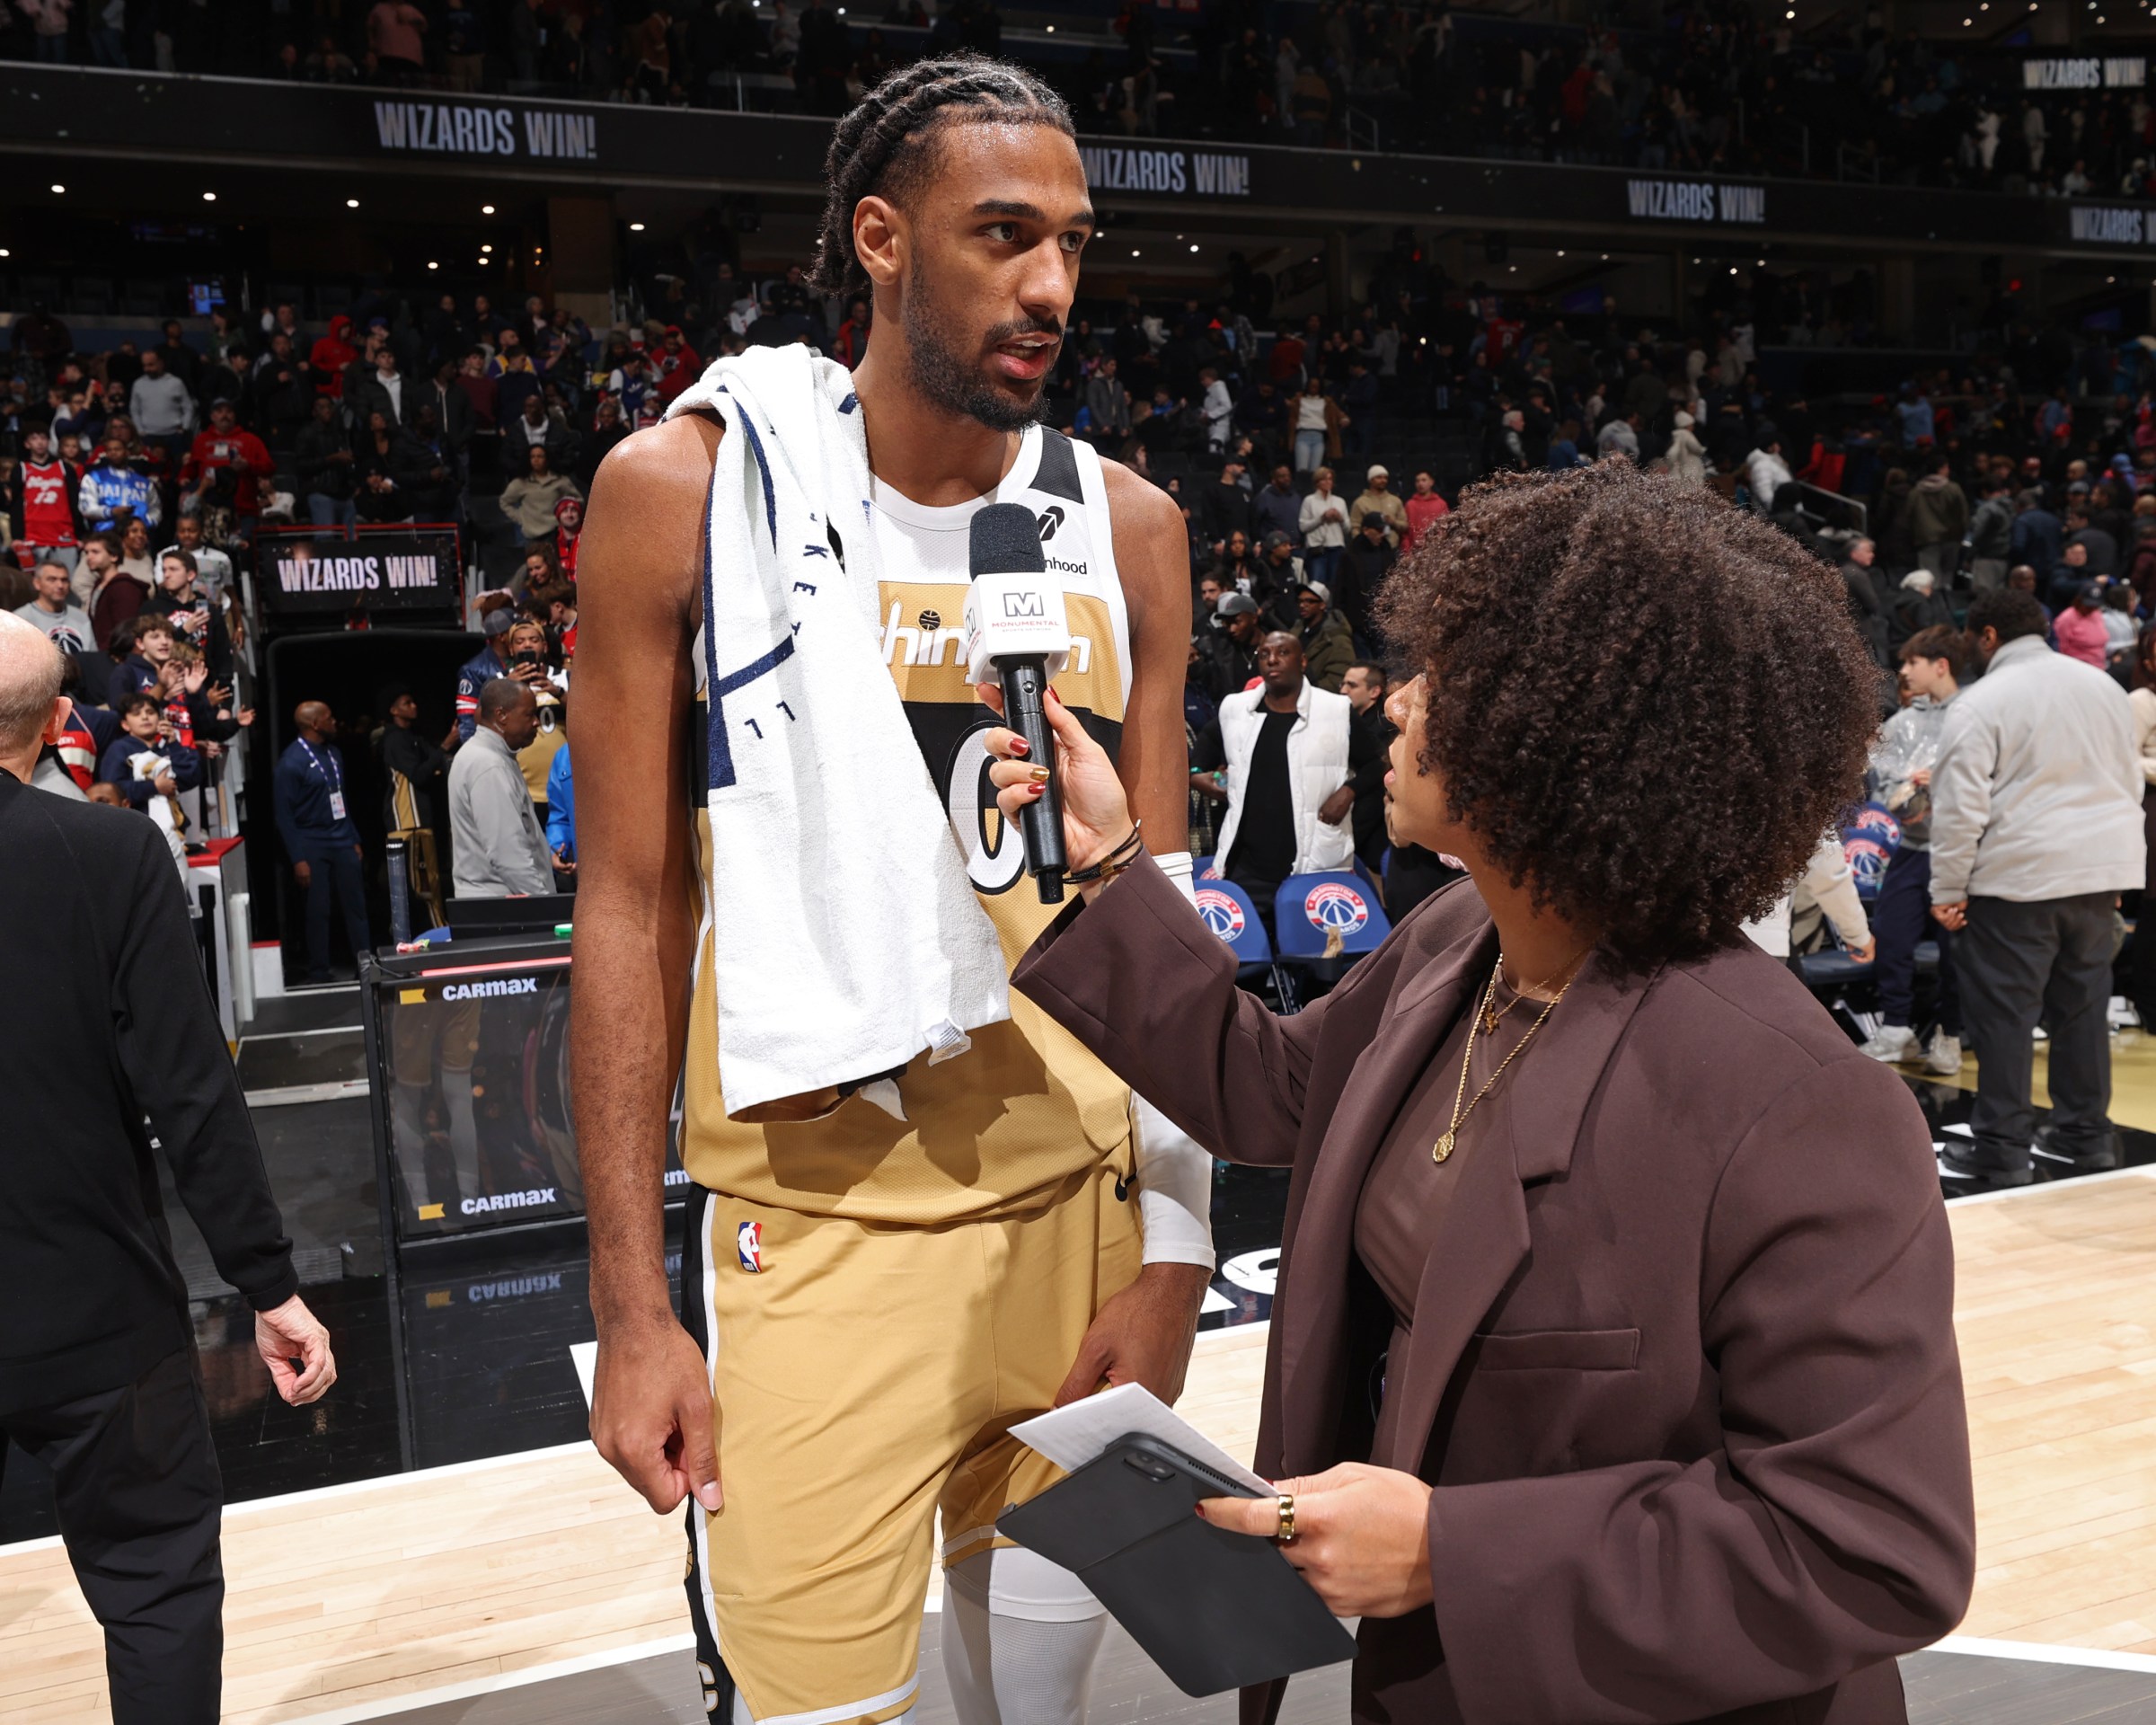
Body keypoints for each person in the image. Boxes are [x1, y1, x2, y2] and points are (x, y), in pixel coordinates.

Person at [994, 460, 1974, 1721]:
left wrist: (1455, 1550)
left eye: (1441, 675)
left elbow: (1873, 1546)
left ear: (1556, 737)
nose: (1398, 701)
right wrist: (1113, 860)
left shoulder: (1798, 1109)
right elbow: (1270, 1090)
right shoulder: (1462, 935)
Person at [570, 56, 1212, 1725]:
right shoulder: (685, 494)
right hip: (825, 1236)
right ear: (877, 237)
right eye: (1003, 235)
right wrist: (632, 1308)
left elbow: (1166, 910)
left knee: (1045, 1708)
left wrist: (1178, 1255)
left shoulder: (1130, 527)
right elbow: (630, 909)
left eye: (1072, 242)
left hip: (1078, 1233)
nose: (1052, 285)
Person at [0, 615, 336, 1725]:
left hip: (89, 1313)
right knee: (158, 1594)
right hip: (95, 1312)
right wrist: (269, 1284)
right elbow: (191, 1093)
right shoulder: (107, 855)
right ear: (61, 728)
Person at [1931, 587, 2146, 1189]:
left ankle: (2001, 1149)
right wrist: (2116, 868)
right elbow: (2127, 782)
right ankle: (2085, 1138)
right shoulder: (2102, 687)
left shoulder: (1983, 700)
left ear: (1989, 635)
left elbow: (1959, 806)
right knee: (2082, 1011)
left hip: (2019, 880)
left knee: (2004, 1017)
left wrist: (1947, 887)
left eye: (1972, 637)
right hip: (2099, 877)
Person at [1189, 631, 1354, 933]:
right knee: (1247, 961)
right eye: (1264, 654)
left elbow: (1373, 765)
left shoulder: (1335, 710)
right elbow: (1201, 755)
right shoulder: (1236, 709)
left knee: (1316, 962)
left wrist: (1348, 791)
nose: (1272, 660)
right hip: (1247, 863)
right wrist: (1201, 777)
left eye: (1282, 653)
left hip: (1312, 858)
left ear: (1302, 660)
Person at [1858, 625, 1965, 1075]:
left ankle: (1951, 1035)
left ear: (1940, 665)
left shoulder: (1976, 715)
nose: (1903, 670)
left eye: (1912, 662)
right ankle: (1896, 1029)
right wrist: (1906, 792)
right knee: (1893, 935)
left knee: (1955, 948)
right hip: (1911, 847)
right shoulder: (1902, 723)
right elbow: (1880, 783)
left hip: (1959, 850)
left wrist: (1938, 781)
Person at [273, 701, 371, 985]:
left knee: (356, 906)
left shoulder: (334, 753)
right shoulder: (291, 762)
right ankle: (319, 970)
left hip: (341, 839)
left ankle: (363, 963)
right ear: (315, 724)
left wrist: (353, 836)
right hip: (311, 842)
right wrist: (297, 858)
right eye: (328, 718)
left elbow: (340, 797)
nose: (334, 721)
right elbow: (283, 815)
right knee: (318, 910)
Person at [447, 678, 552, 898]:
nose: (536, 722)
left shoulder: (488, 755)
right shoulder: (488, 764)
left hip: (499, 904)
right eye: (529, 714)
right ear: (502, 716)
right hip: (503, 908)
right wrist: (544, 905)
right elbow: (508, 853)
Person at [1339, 659, 1392, 874]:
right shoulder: (1341, 726)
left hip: (1372, 849)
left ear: (1374, 691)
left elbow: (1377, 791)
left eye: (1352, 685)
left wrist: (1351, 841)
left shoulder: (1386, 731)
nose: (1343, 691)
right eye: (1342, 684)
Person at [380, 686, 455, 835]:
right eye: (407, 703)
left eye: (413, 702)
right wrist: (446, 745)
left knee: (429, 858)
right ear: (394, 711)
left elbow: (437, 759)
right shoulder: (394, 739)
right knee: (402, 859)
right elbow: (418, 775)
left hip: (420, 820)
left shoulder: (414, 736)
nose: (414, 706)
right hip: (405, 821)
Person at [1906, 455, 1968, 584]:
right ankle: (1946, 602)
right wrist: (1961, 533)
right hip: (1952, 537)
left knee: (1929, 577)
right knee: (1948, 575)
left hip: (1926, 539)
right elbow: (1963, 514)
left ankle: (1934, 603)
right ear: (1942, 469)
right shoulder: (1953, 489)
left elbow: (1909, 515)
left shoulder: (1916, 492)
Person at [15, 556, 93, 658]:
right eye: (52, 579)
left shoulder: (81, 617)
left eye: (64, 580)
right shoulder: (21, 619)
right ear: (37, 583)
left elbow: (92, 656)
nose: (60, 585)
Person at [1294, 579, 1355, 694]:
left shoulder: (1338, 638)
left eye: (1309, 601)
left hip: (1315, 698)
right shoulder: (1296, 630)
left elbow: (1337, 680)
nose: (1302, 605)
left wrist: (1311, 692)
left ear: (1322, 605)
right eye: (1300, 601)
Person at [1297, 464, 1351, 588]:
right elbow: (1303, 527)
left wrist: (1340, 519)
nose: (1328, 482)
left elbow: (1347, 529)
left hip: (1336, 547)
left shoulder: (1340, 501)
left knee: (1336, 584)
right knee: (1317, 585)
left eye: (1330, 479)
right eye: (1324, 479)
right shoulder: (1309, 501)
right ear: (1317, 482)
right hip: (1317, 548)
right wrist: (1322, 518)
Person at [2054, 579, 2111, 669]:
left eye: (2095, 605)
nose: (2092, 608)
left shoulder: (2097, 614)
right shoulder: (2066, 618)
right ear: (2079, 600)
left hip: (2099, 667)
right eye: (2088, 605)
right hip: (2076, 668)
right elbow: (2060, 648)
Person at [1349, 463, 1406, 547]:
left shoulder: (1396, 501)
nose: (1383, 480)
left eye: (1385, 478)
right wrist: (1360, 545)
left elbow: (1405, 525)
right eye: (1379, 477)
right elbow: (1355, 527)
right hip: (1368, 549)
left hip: (1392, 547)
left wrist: (1393, 522)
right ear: (1371, 479)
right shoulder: (1360, 502)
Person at [1399, 469, 1447, 555]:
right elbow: (1405, 533)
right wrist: (1406, 552)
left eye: (1424, 480)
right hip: (1415, 553)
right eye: (1417, 481)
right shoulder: (1410, 505)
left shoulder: (1441, 504)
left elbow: (1446, 529)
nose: (1420, 483)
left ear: (1431, 482)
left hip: (1437, 552)